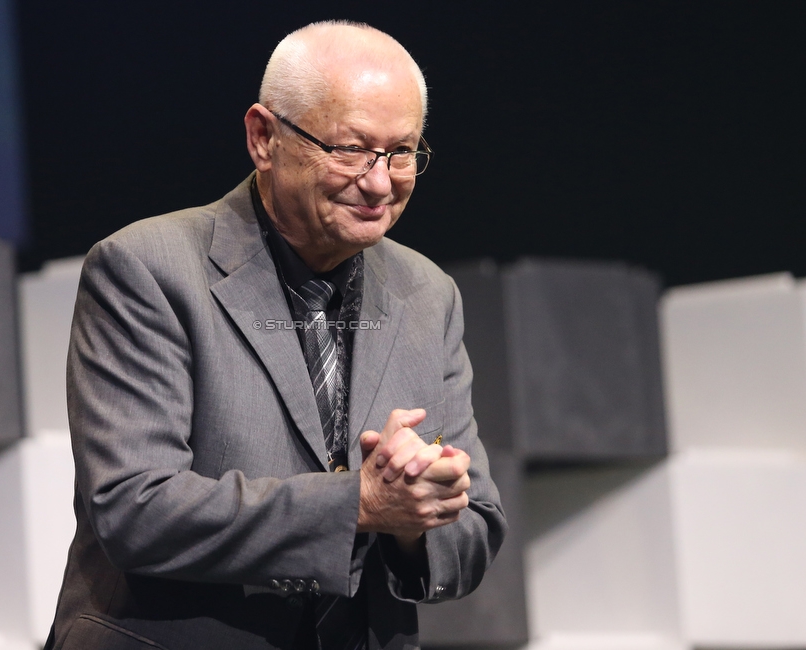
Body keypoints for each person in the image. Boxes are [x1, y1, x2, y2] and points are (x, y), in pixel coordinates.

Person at [46, 20, 506, 650]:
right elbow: (134, 508)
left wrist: (411, 517)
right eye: (350, 149)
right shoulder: (146, 268)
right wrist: (359, 504)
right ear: (263, 137)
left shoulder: (428, 294)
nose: (379, 182)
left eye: (401, 152)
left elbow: (475, 530)